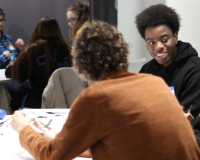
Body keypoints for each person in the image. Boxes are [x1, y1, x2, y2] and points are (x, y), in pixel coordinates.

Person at [11, 21, 200, 160]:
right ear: (123, 52)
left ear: (81, 64)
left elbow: (52, 155)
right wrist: (62, 139)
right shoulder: (155, 83)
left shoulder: (95, 98)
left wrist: (24, 129)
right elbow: (125, 146)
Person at [136, 4, 200, 120]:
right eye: (152, 42)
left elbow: (189, 120)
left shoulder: (195, 70)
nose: (158, 47)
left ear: (175, 37)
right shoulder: (146, 72)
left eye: (164, 40)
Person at [5, 17, 71, 111]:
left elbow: (16, 73)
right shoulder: (67, 49)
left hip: (39, 100)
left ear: (38, 30)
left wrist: (10, 67)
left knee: (14, 102)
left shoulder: (33, 50)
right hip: (65, 100)